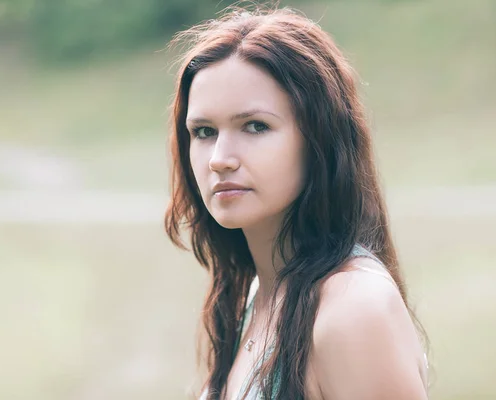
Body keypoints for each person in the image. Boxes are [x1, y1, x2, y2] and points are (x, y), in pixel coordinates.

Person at [165, 6, 429, 400]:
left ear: (318, 138)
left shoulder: (352, 307)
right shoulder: (257, 294)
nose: (220, 157)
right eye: (203, 131)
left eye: (255, 126)